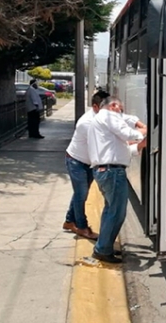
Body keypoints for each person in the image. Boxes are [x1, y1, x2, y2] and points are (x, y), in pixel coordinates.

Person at [62, 90, 146, 240]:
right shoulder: (88, 123)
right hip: (77, 161)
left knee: (80, 192)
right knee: (81, 194)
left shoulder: (105, 115)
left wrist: (139, 124)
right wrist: (139, 137)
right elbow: (114, 141)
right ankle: (81, 227)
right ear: (96, 107)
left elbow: (125, 118)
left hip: (90, 162)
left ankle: (69, 221)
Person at [88, 96, 147, 263]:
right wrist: (147, 130)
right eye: (120, 109)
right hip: (112, 172)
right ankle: (103, 250)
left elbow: (119, 149)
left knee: (111, 211)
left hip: (106, 171)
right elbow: (129, 134)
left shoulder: (99, 120)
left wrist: (140, 144)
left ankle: (103, 246)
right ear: (113, 106)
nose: (121, 114)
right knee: (116, 213)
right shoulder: (108, 116)